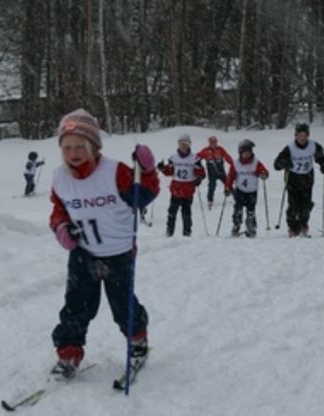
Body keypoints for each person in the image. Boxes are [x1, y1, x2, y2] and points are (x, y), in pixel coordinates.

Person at [47, 108, 159, 378]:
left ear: (93, 146)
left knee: (122, 304)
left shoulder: (115, 171)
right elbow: (58, 209)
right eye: (67, 147)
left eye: (80, 146)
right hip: (83, 253)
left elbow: (143, 196)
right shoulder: (60, 177)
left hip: (118, 253)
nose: (74, 153)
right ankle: (69, 354)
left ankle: (137, 342)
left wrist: (146, 170)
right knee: (76, 305)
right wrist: (61, 227)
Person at [272, 123, 324, 237]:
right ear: (296, 136)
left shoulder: (314, 145)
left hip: (307, 177)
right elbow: (276, 164)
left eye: (305, 135)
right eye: (300, 135)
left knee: (306, 204)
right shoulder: (289, 148)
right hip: (293, 178)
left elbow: (321, 158)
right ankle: (293, 227)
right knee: (293, 204)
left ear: (308, 135)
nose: (302, 138)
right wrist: (285, 163)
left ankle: (303, 223)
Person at [157, 134, 206, 237]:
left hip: (188, 189)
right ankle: (169, 232)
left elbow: (201, 172)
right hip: (176, 188)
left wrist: (199, 179)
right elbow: (169, 171)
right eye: (181, 144)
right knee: (172, 212)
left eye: (186, 144)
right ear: (178, 145)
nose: (183, 146)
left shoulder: (195, 158)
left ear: (189, 145)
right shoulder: (173, 157)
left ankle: (187, 233)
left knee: (186, 213)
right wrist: (162, 168)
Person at [225, 139, 269, 238]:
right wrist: (227, 187)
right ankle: (236, 226)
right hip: (240, 191)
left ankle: (251, 227)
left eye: (249, 152)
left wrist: (264, 174)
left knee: (251, 211)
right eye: (244, 153)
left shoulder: (256, 162)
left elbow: (264, 170)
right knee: (238, 209)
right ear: (240, 153)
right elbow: (230, 176)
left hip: (252, 191)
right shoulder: (236, 163)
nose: (247, 155)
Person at [196, 136, 234, 210]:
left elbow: (227, 157)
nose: (214, 144)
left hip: (221, 171)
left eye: (215, 143)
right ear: (209, 143)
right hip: (211, 173)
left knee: (228, 183)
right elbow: (196, 157)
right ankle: (210, 200)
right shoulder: (205, 151)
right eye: (212, 143)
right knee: (211, 186)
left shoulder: (220, 149)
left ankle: (235, 196)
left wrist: (233, 164)